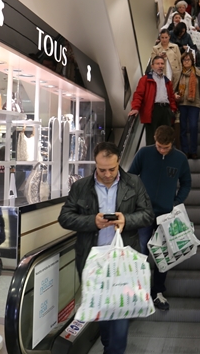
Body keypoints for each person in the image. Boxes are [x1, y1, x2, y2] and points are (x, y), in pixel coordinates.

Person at [59, 142, 154, 354]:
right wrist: (93, 221)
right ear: (95, 163)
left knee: (120, 317)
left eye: (112, 169)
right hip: (93, 262)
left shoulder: (134, 183)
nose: (108, 174)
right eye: (102, 170)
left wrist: (126, 219)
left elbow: (148, 214)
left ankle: (113, 350)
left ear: (118, 161)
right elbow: (65, 218)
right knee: (101, 313)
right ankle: (108, 345)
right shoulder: (81, 187)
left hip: (123, 262)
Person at [128, 125, 191, 312]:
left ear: (172, 143)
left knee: (164, 255)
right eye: (158, 145)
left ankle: (158, 292)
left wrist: (176, 201)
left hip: (166, 215)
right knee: (141, 252)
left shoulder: (180, 159)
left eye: (165, 147)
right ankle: (140, 290)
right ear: (154, 140)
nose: (161, 149)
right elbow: (131, 177)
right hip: (144, 213)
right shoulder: (144, 153)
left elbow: (186, 183)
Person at [128, 56, 177, 145]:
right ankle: (151, 158)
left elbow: (171, 97)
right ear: (152, 65)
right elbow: (138, 94)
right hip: (152, 110)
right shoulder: (145, 79)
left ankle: (165, 157)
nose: (160, 66)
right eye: (157, 64)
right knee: (152, 137)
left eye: (162, 64)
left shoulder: (167, 81)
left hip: (166, 110)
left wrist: (173, 109)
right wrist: (135, 108)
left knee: (166, 136)